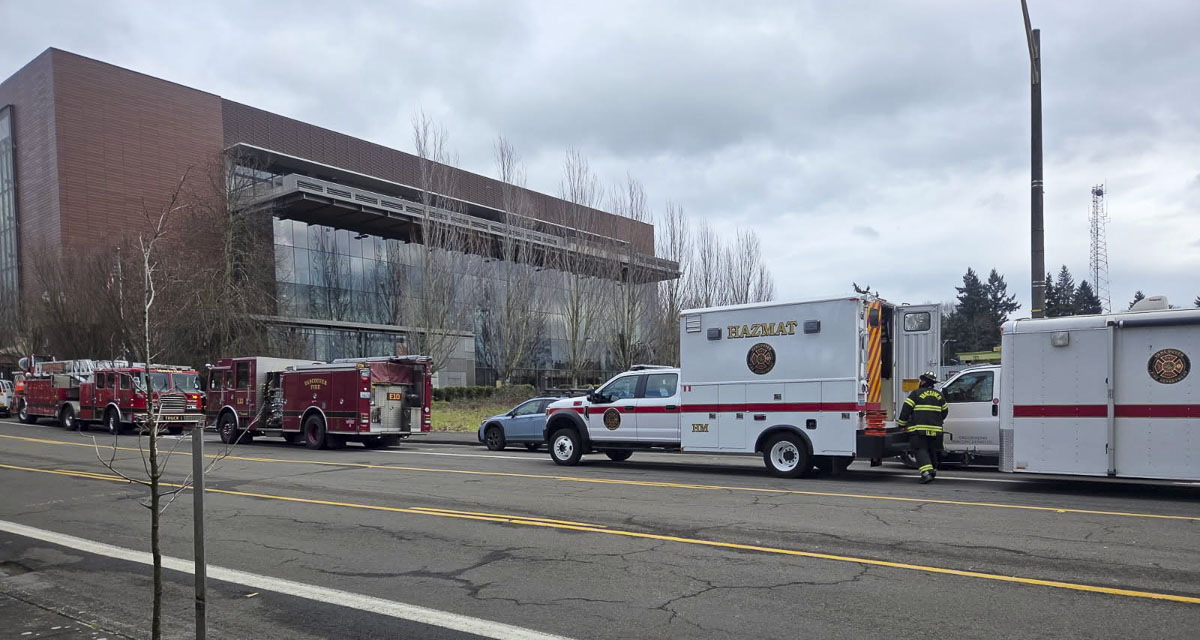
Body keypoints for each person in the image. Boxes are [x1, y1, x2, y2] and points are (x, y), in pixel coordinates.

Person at [897, 371, 948, 483]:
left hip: (919, 430)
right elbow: (945, 412)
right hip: (936, 431)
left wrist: (901, 424)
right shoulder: (939, 395)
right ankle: (933, 471)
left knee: (920, 449)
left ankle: (926, 473)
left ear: (924, 381)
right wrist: (936, 421)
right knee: (932, 450)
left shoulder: (916, 393)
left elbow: (906, 410)